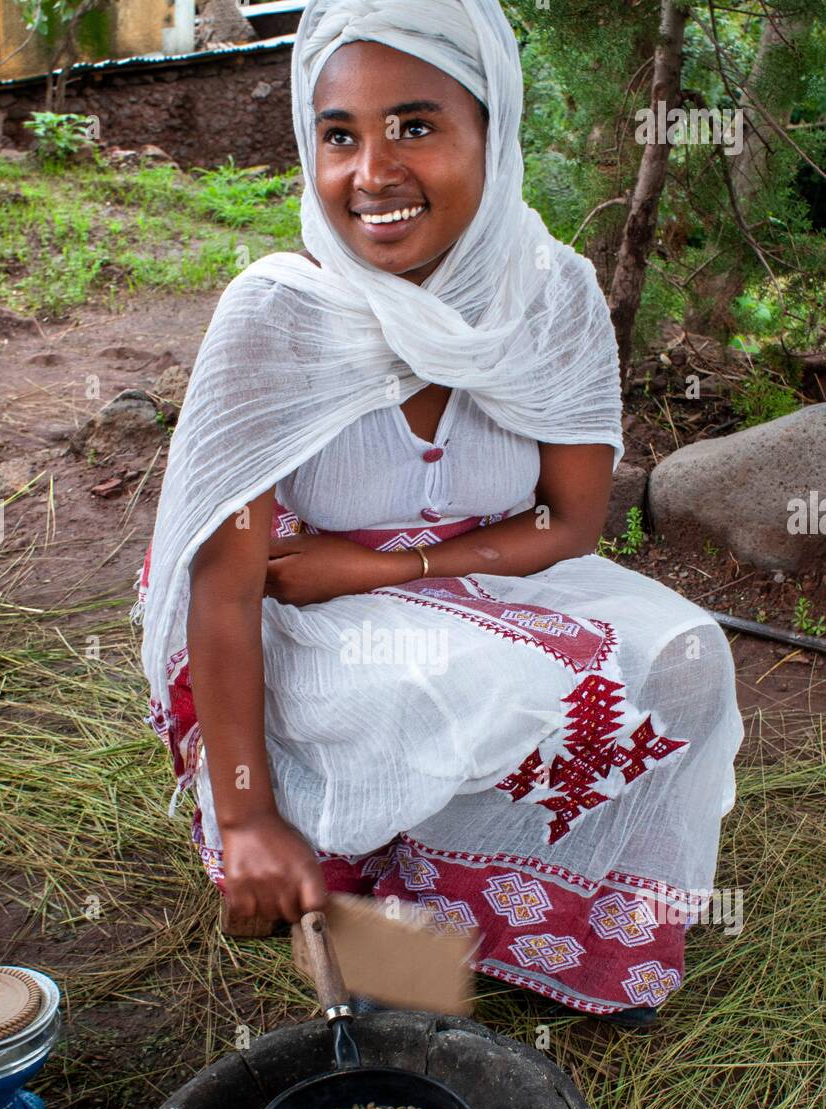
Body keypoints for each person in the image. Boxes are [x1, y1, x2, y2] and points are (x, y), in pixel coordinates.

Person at [134, 0, 745, 1028]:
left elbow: (568, 526)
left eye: (413, 126)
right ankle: (380, 909)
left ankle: (574, 924)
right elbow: (229, 583)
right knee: (449, 684)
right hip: (295, 606)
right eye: (339, 135)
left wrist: (377, 568)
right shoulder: (280, 309)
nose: (370, 172)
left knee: (687, 657)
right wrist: (245, 816)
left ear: (489, 132)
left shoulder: (549, 296)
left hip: (477, 566)